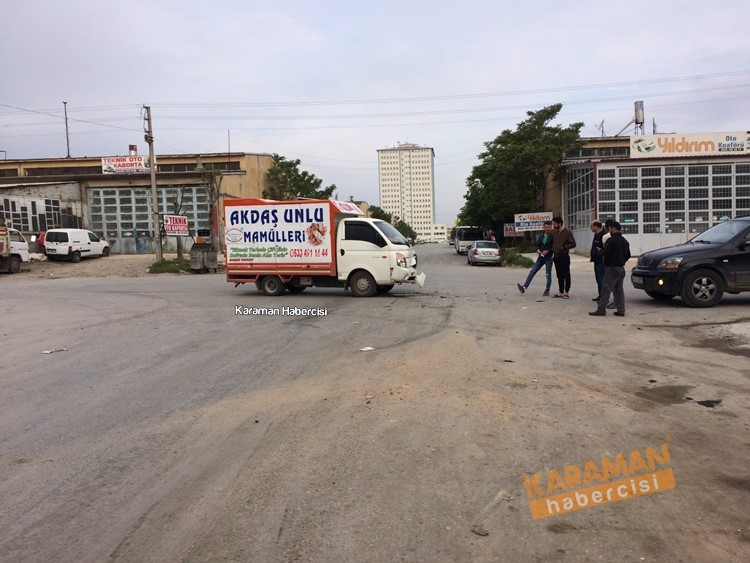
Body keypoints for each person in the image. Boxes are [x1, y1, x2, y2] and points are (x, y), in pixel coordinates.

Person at [590, 220, 631, 317]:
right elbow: (628, 255)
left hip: (611, 268)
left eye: (609, 229)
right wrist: (621, 261)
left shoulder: (611, 240)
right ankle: (621, 310)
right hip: (621, 268)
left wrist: (600, 251)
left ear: (613, 228)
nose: (608, 231)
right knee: (619, 290)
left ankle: (601, 309)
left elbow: (606, 252)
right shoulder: (625, 241)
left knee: (606, 289)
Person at [517, 221, 555, 296]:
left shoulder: (553, 237)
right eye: (546, 227)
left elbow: (554, 247)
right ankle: (524, 287)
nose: (548, 229)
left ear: (551, 228)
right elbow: (538, 245)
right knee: (532, 271)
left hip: (549, 258)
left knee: (548, 274)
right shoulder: (541, 236)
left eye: (549, 227)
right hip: (541, 257)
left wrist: (548, 251)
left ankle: (547, 290)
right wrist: (539, 250)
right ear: (544, 228)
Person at [551, 216, 576, 299]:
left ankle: (566, 292)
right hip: (556, 256)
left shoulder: (568, 232)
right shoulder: (554, 233)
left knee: (566, 274)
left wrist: (563, 247)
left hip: (564, 256)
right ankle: (561, 291)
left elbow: (573, 244)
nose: (554, 225)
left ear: (560, 224)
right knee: (559, 275)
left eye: (555, 224)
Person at [590, 221, 605, 301]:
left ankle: (604, 297)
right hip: (596, 260)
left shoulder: (603, 235)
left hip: (601, 261)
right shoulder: (596, 235)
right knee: (598, 279)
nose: (590, 228)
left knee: (602, 279)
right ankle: (600, 295)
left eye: (591, 226)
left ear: (596, 226)